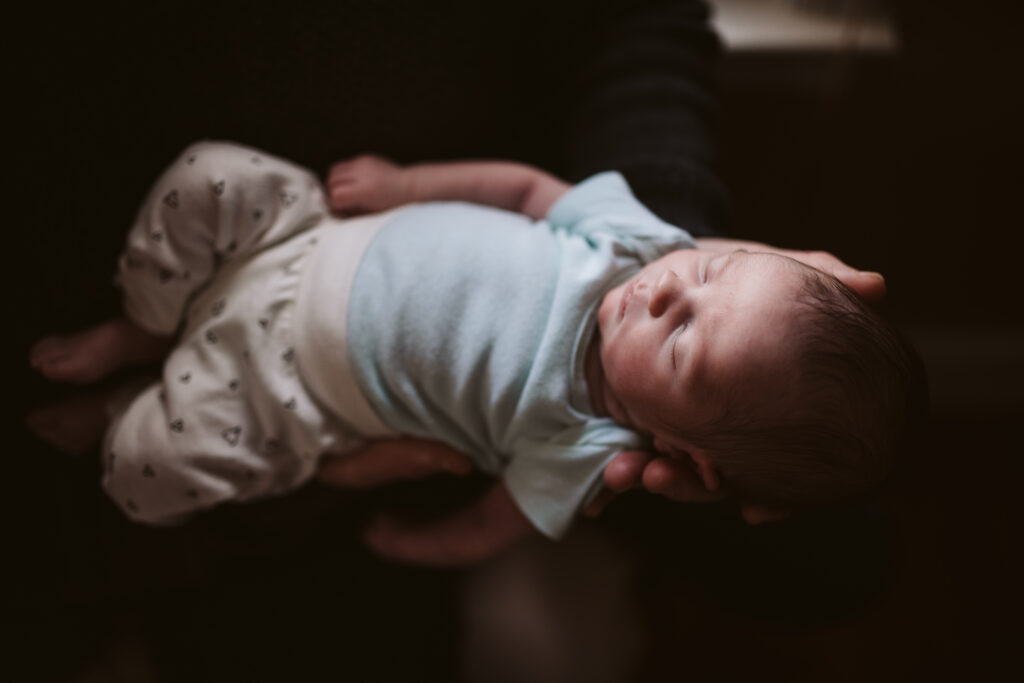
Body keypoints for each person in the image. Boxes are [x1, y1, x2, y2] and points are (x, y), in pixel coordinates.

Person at [28, 140, 920, 564]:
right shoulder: (638, 244)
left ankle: (122, 407)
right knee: (206, 174)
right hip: (302, 241)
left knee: (144, 473)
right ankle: (145, 321)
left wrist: (402, 521)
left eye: (683, 339)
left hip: (285, 388)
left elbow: (490, 519)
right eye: (716, 267)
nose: (669, 289)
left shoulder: (585, 452)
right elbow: (527, 188)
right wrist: (407, 185)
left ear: (686, 452)